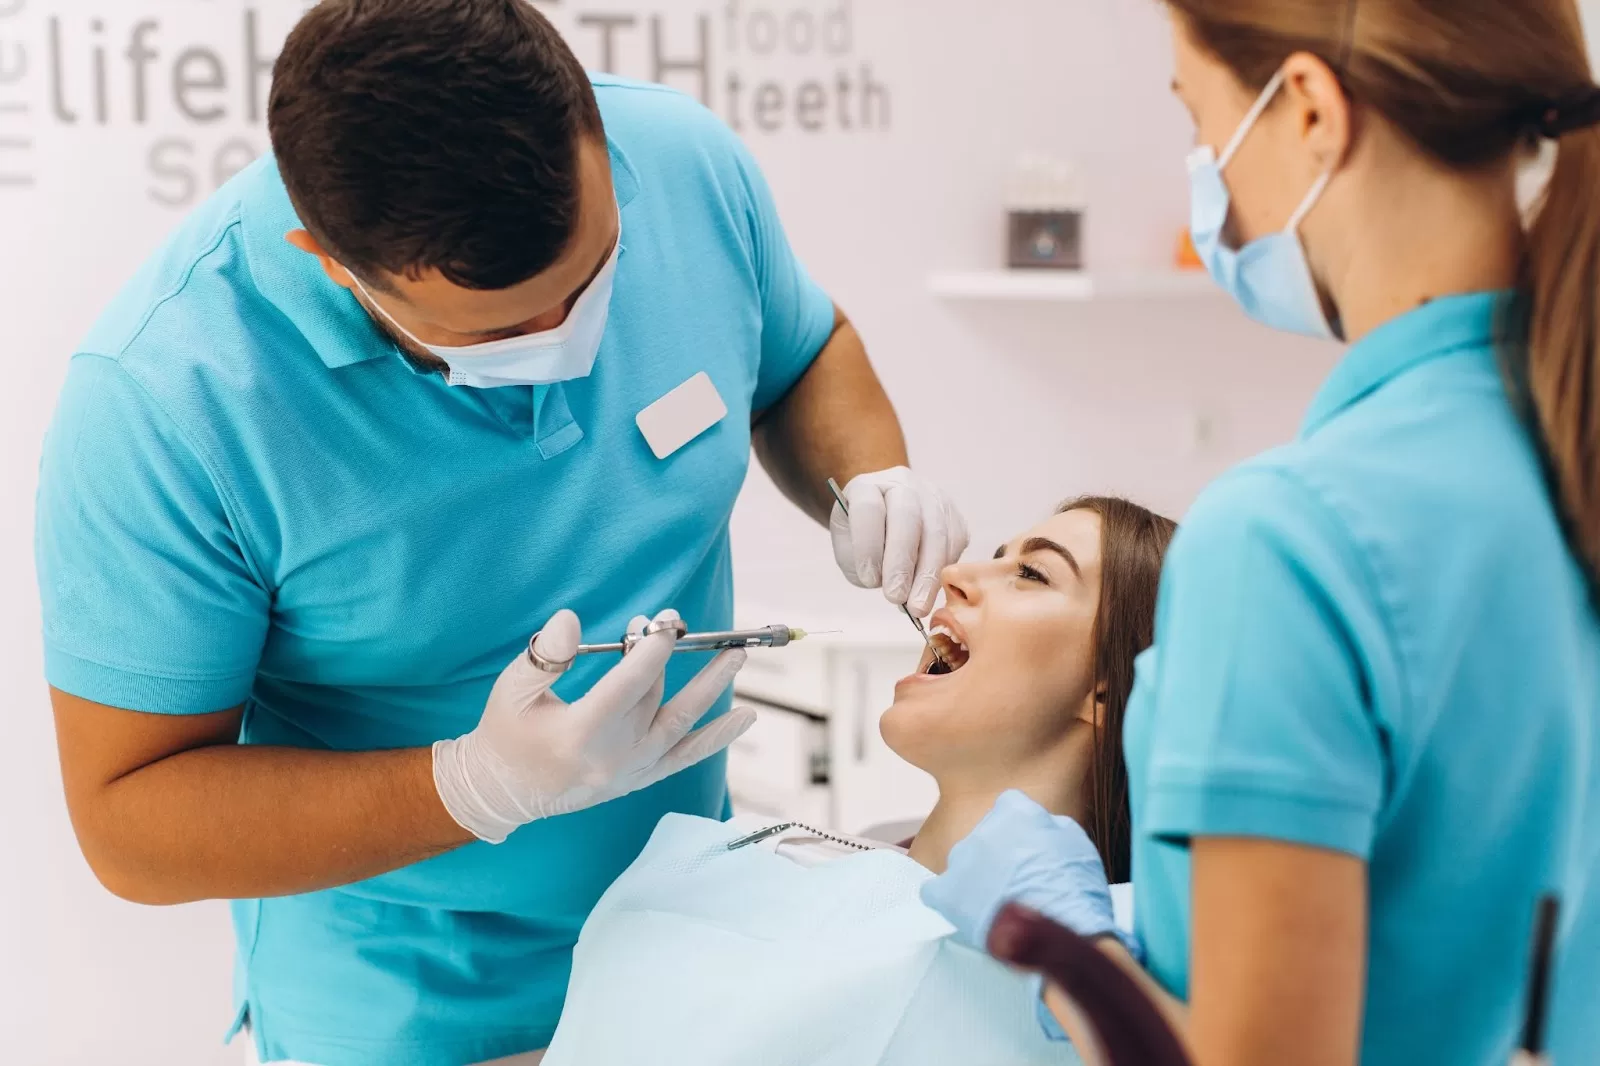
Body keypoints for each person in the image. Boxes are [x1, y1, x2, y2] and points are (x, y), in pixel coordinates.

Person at [33, 2, 966, 1064]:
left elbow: (803, 352)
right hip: (410, 1014)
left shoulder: (682, 163)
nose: (566, 339)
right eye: (500, 332)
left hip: (690, 952)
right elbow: (129, 821)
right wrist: (468, 785)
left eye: (592, 278)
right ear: (333, 263)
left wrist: (866, 474)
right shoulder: (167, 404)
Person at [921, 4, 1600, 1066]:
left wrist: (1080, 957)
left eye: (1202, 122)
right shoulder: (1562, 451)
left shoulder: (1288, 542)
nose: (1209, 179)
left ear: (1309, 111)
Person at [538, 497, 1175, 1065]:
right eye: (995, 558)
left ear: (1111, 686)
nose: (953, 575)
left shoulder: (1125, 960)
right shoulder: (756, 855)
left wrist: (1083, 965)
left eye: (1031, 575)